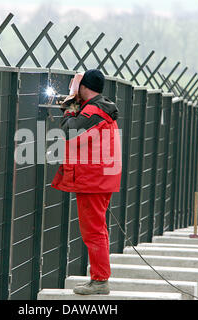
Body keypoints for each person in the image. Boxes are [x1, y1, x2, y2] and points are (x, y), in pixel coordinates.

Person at [51, 69, 122, 295]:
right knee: (96, 229)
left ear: (84, 87)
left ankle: (100, 281)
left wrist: (70, 102)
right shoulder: (98, 108)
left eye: (77, 86)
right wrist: (74, 103)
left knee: (93, 231)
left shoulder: (93, 111)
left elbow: (68, 131)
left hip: (94, 180)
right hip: (97, 179)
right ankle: (99, 278)